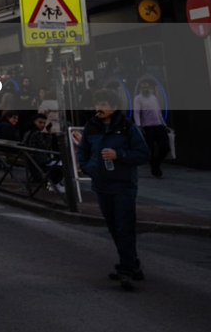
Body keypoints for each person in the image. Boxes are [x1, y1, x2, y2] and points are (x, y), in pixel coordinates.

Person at [74, 88, 150, 285]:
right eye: (97, 104)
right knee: (114, 227)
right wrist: (88, 168)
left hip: (123, 184)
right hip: (101, 184)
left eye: (103, 104)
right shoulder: (91, 126)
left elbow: (143, 154)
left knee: (124, 225)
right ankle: (132, 264)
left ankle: (126, 269)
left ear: (114, 107)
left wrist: (119, 155)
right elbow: (83, 151)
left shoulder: (127, 127)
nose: (98, 108)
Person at [133, 81, 169, 178]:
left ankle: (156, 164)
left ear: (150, 88)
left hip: (159, 125)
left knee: (166, 147)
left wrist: (164, 124)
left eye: (147, 87)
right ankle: (155, 168)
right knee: (150, 150)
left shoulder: (153, 97)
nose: (145, 89)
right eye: (143, 87)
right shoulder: (138, 98)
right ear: (140, 89)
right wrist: (139, 126)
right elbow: (136, 112)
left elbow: (158, 112)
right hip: (147, 127)